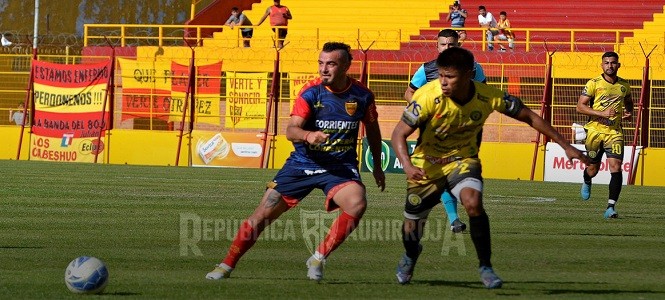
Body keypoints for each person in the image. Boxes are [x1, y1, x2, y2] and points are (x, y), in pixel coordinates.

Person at [392, 47, 590, 288]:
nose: (443, 82)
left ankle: (485, 266)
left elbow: (529, 116)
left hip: (462, 161)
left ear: (468, 74)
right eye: (441, 75)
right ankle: (411, 254)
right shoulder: (425, 97)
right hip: (426, 166)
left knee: (473, 202)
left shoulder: (488, 96)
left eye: (450, 77)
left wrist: (565, 145)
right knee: (411, 227)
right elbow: (399, 133)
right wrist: (407, 165)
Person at [206, 42, 386, 282]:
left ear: (345, 66)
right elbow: (291, 130)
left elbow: (372, 130)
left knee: (357, 203)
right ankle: (226, 265)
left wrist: (376, 165)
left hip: (339, 168)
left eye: (331, 64)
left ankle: (318, 257)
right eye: (321, 63)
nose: (324, 69)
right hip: (302, 164)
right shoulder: (310, 92)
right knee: (261, 215)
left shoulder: (362, 95)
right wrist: (308, 135)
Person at [403, 28, 486, 234]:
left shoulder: (474, 69)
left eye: (451, 44)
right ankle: (454, 219)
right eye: (443, 44)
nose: (447, 48)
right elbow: (409, 92)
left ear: (458, 46)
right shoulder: (426, 69)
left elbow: (483, 93)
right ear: (437, 46)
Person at [576, 51, 633, 219]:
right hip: (594, 131)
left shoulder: (624, 85)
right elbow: (580, 107)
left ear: (618, 65)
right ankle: (587, 179)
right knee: (593, 169)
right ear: (602, 65)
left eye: (613, 63)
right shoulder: (594, 83)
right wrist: (602, 113)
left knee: (616, 167)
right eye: (606, 63)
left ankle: (610, 207)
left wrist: (629, 112)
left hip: (614, 132)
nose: (610, 65)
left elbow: (629, 100)